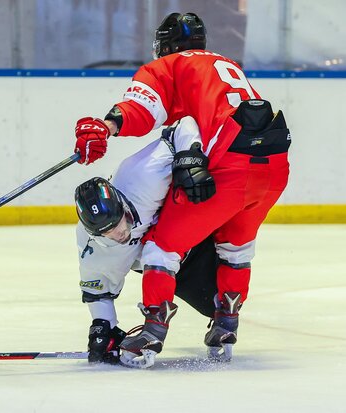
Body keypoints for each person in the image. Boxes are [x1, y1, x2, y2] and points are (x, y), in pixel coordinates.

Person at [73, 12, 290, 367]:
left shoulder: (169, 65)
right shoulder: (225, 64)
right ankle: (226, 321)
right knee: (236, 245)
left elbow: (140, 109)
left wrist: (106, 126)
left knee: (162, 246)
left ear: (167, 46)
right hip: (274, 164)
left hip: (229, 165)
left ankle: (153, 330)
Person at [76, 117, 222, 368]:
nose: (118, 234)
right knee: (213, 303)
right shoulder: (92, 247)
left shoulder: (141, 175)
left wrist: (190, 158)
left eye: (118, 223)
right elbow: (97, 290)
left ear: (121, 203)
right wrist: (103, 327)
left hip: (192, 238)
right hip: (171, 266)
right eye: (107, 233)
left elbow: (183, 126)